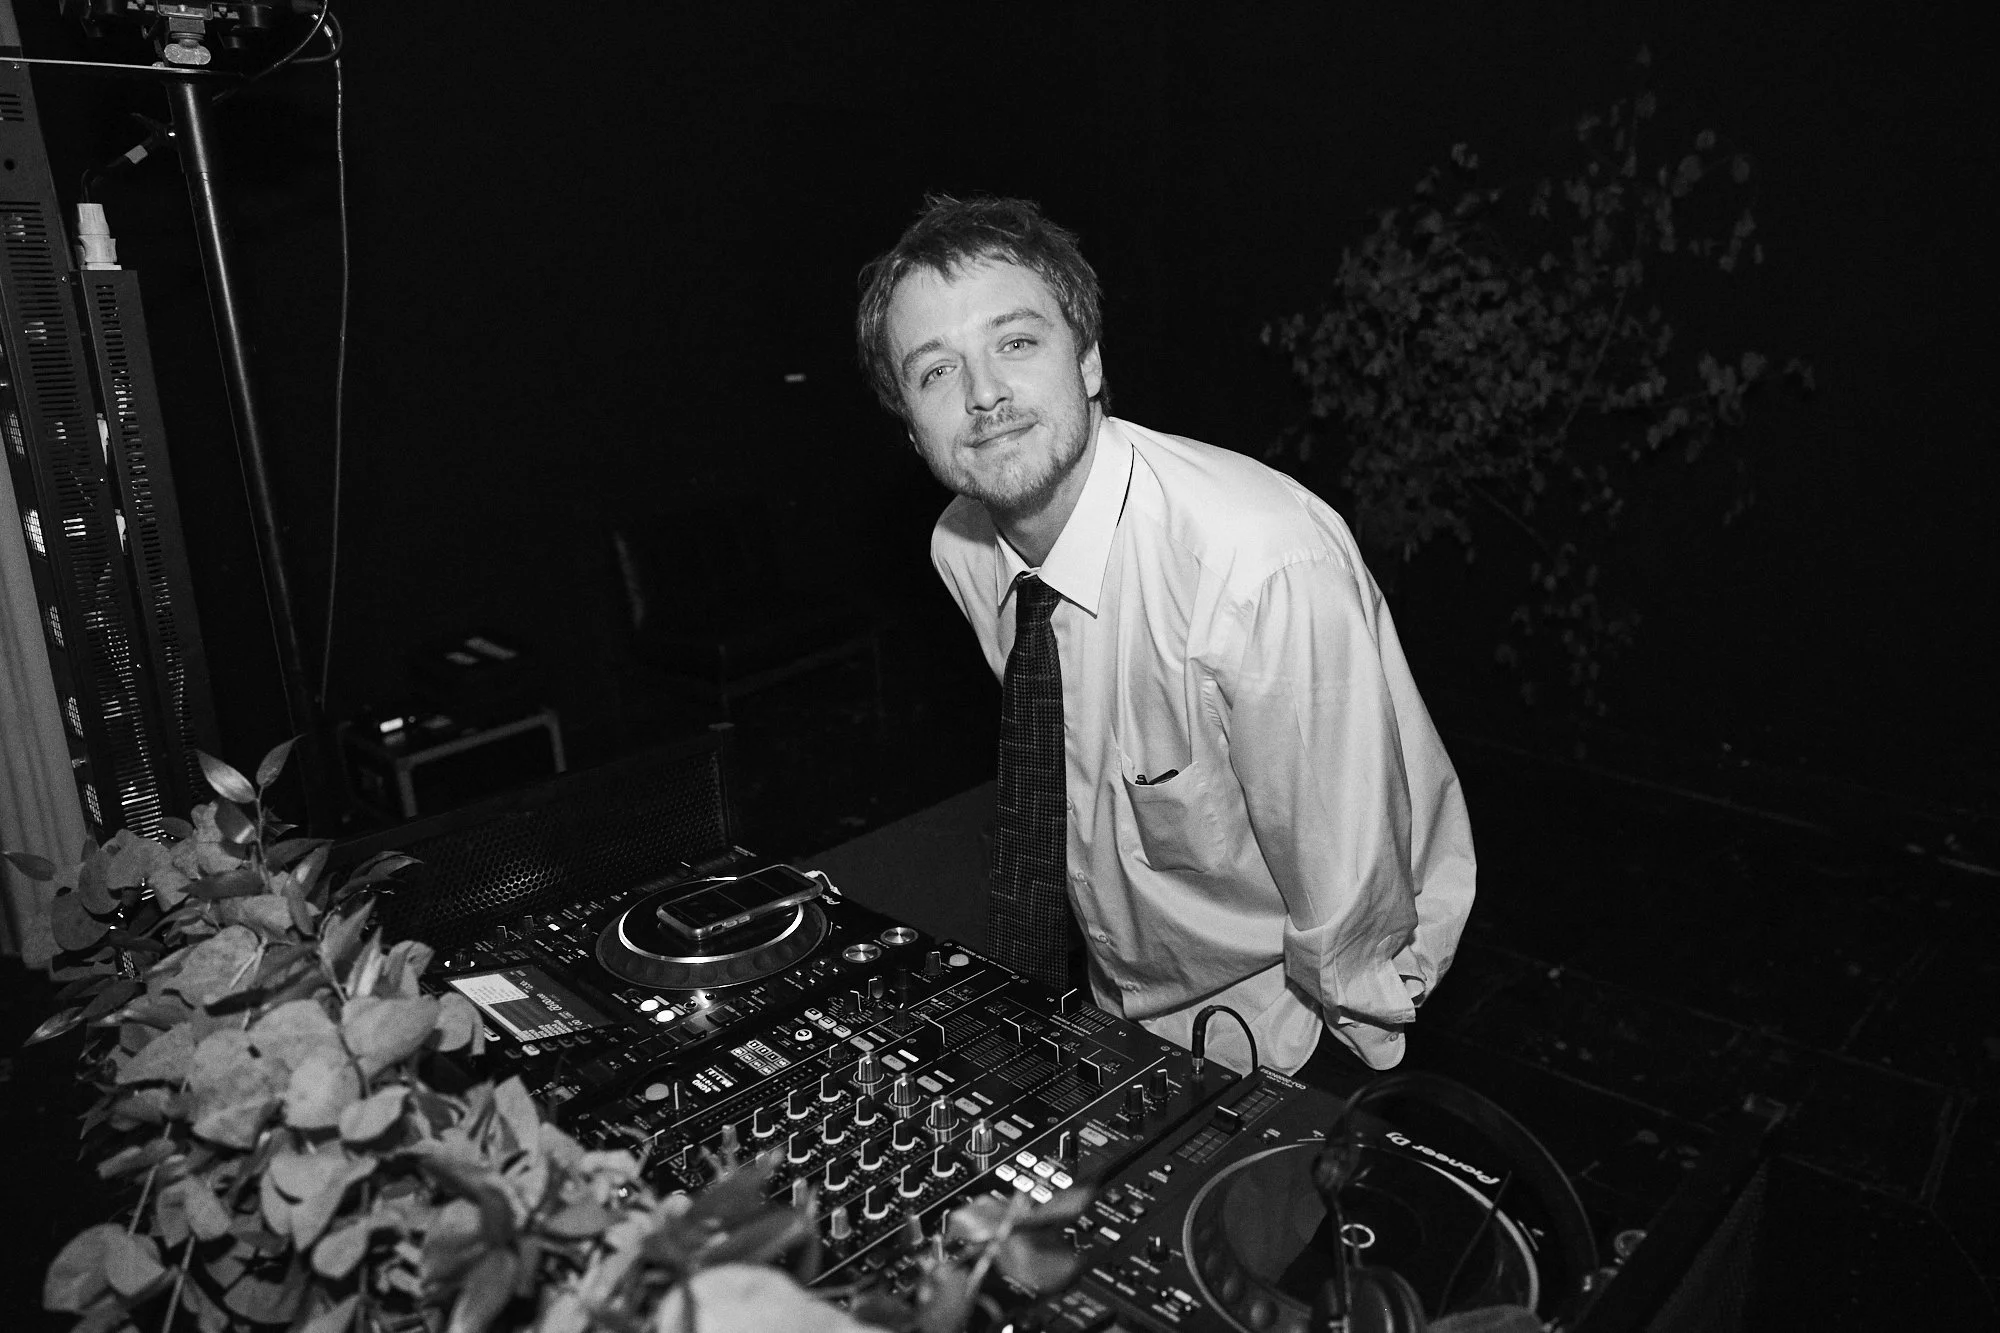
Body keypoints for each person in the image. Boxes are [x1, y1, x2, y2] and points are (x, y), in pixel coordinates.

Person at [854, 194, 1474, 1082]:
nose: (983, 393)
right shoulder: (962, 550)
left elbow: (1352, 902)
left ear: (1090, 360)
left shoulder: (1258, 569)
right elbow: (1073, 773)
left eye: (1016, 342)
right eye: (936, 372)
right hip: (1112, 1011)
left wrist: (1334, 1093)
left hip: (1290, 1034)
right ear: (913, 429)